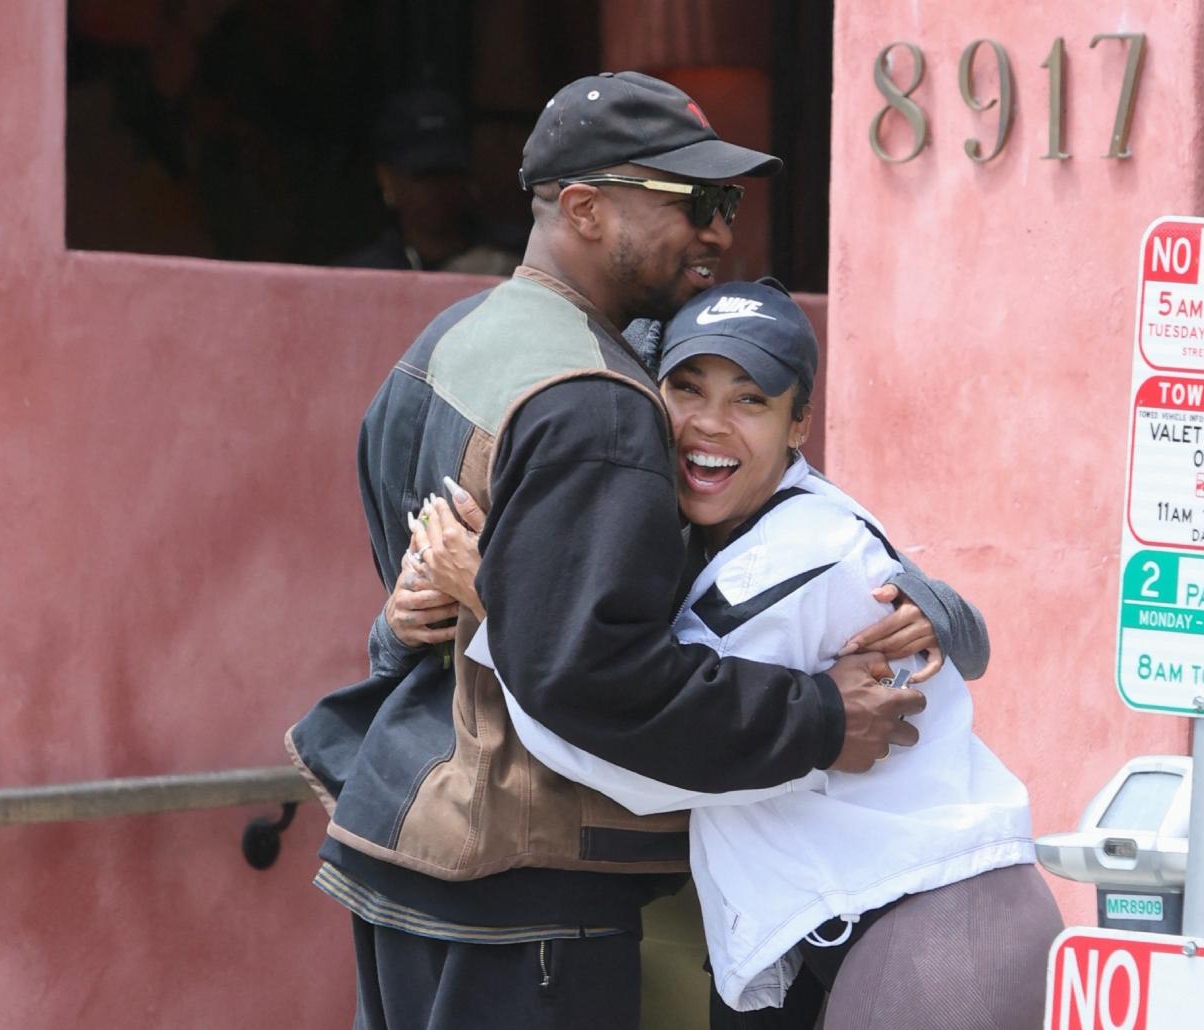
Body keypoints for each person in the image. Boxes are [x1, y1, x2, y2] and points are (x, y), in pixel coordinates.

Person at [288, 72, 982, 1030]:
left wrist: (923, 600)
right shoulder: (599, 404)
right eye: (693, 203)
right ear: (583, 206)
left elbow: (435, 575)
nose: (720, 232)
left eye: (726, 202)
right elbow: (596, 673)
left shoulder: (447, 342)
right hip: (523, 885)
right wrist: (821, 717)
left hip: (408, 846)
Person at [425, 280, 1063, 1028]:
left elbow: (640, 750)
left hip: (939, 928)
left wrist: (500, 605)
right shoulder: (717, 530)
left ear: (799, 424)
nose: (709, 425)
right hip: (851, 925)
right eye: (687, 389)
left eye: (751, 400)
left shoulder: (793, 554)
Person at [335, 87, 520, 274]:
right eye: (422, 175)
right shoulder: (364, 273)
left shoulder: (518, 259)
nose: (437, 188)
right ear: (387, 179)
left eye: (448, 172)